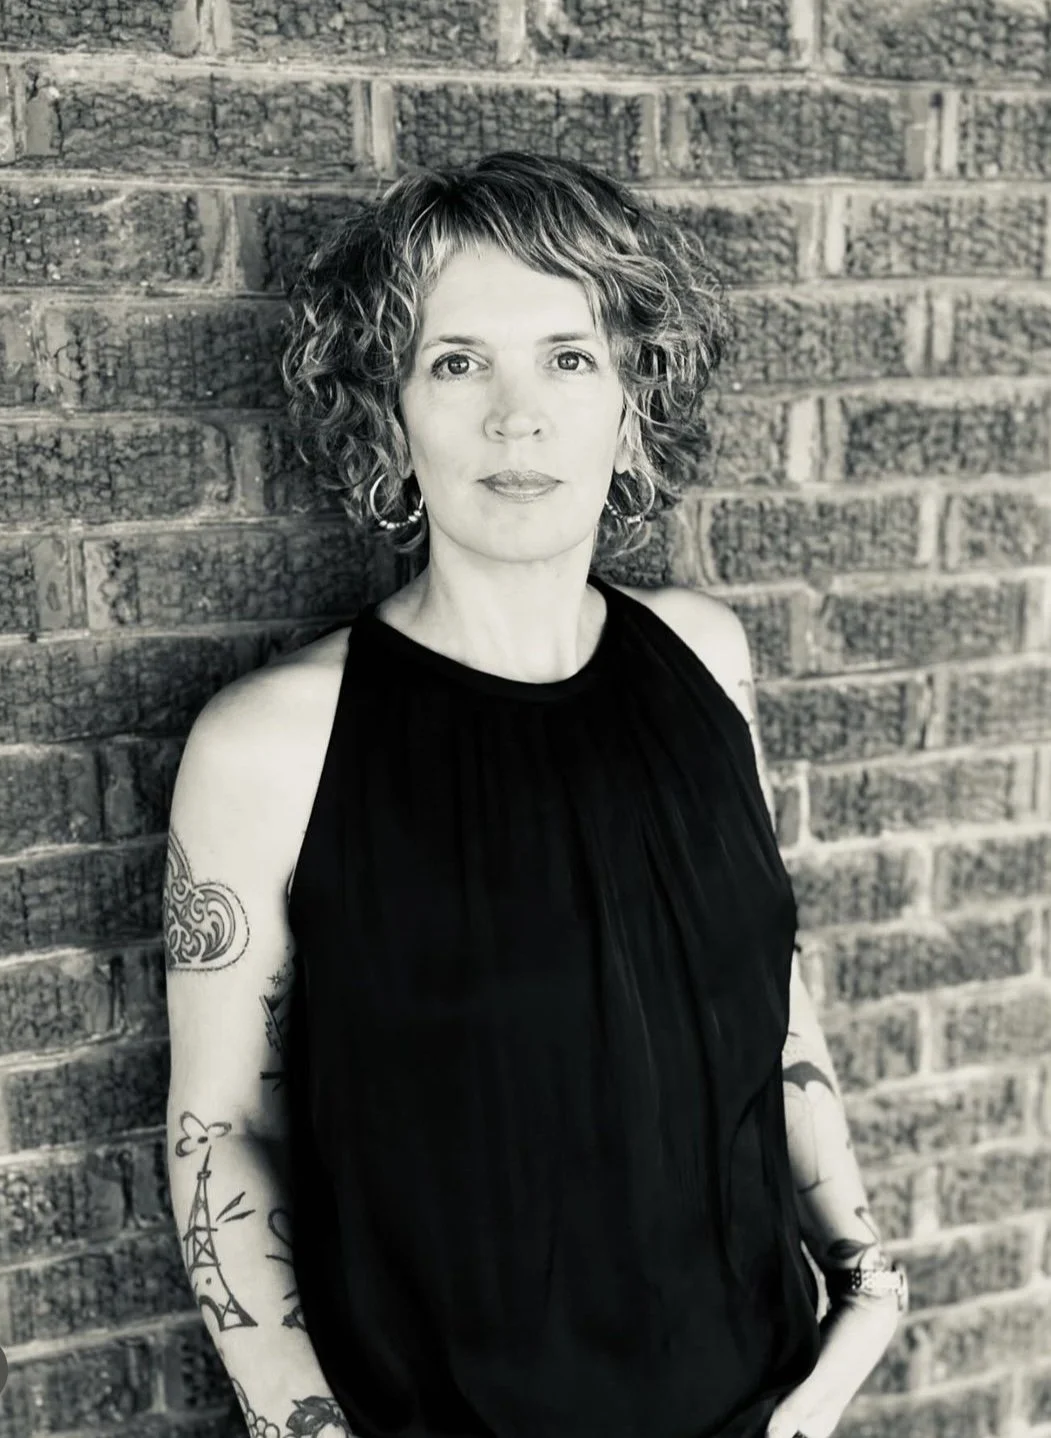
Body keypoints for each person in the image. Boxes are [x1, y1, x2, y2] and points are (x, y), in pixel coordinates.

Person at [162, 151, 905, 1438]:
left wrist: (861, 1288)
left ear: (630, 404)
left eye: (567, 357)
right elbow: (221, 1129)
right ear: (389, 416)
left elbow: (770, 1010)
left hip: (767, 1398)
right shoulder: (271, 745)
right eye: (456, 362)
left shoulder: (705, 662)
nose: (517, 417)